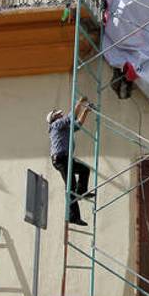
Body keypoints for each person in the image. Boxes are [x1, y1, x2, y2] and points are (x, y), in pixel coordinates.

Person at [48, 96, 94, 227]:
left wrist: (86, 111)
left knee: (84, 170)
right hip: (60, 159)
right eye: (58, 115)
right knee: (70, 185)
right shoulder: (56, 125)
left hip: (66, 159)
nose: (60, 115)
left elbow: (78, 124)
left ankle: (81, 191)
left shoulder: (65, 128)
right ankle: (73, 216)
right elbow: (70, 117)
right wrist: (79, 103)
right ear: (54, 118)